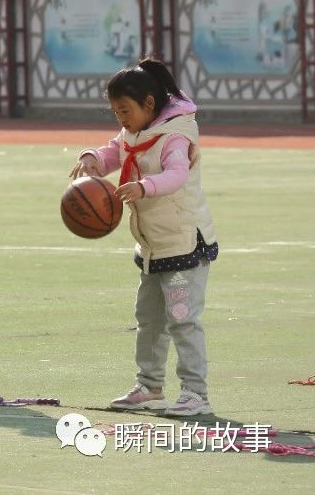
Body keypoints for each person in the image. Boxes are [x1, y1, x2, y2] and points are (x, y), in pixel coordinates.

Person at [70, 57, 217, 417]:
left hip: (183, 244)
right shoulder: (134, 132)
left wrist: (144, 186)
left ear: (149, 104)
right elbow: (114, 151)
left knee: (182, 319)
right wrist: (92, 159)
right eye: (115, 112)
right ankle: (149, 385)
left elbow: (177, 175)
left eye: (125, 110)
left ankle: (195, 393)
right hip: (154, 247)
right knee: (149, 318)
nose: (120, 119)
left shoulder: (175, 135)